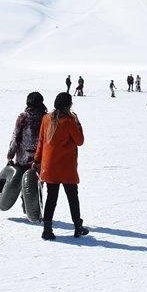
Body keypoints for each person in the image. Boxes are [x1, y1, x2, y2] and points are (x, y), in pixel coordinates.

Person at [33, 92, 87, 240]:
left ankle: (47, 229)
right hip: (66, 166)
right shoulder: (69, 120)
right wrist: (77, 122)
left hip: (49, 166)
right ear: (68, 105)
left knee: (51, 197)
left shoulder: (46, 118)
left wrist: (37, 160)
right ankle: (78, 227)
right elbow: (80, 141)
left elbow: (41, 142)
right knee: (72, 197)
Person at [8, 92, 47, 222]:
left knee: (25, 183)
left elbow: (15, 137)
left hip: (23, 157)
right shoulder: (46, 117)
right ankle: (35, 210)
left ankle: (28, 207)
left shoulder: (23, 117)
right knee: (37, 184)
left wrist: (10, 155)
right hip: (40, 158)